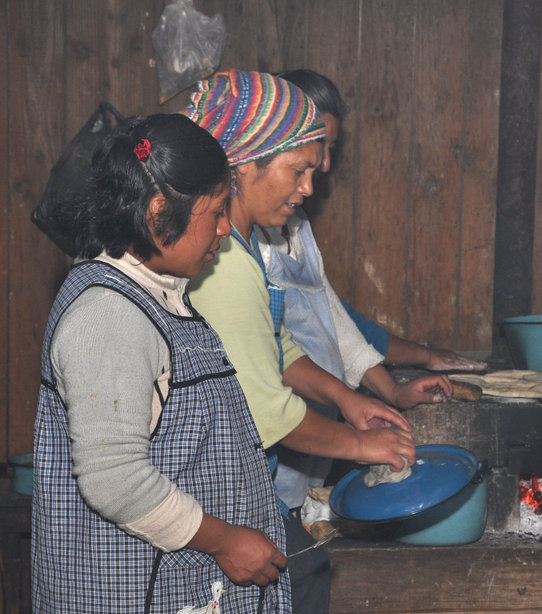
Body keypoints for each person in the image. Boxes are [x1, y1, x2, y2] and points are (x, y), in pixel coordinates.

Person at [184, 70, 449, 613]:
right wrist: (360, 445)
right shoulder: (227, 263)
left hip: (226, 476)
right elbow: (264, 411)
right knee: (303, 574)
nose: (311, 186)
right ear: (243, 164)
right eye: (299, 169)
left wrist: (351, 400)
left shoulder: (242, 243)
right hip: (206, 485)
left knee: (304, 567)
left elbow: (276, 344)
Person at [32, 113, 290, 612]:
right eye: (215, 213)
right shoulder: (107, 316)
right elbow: (114, 477)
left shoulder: (158, 291)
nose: (224, 230)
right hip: (135, 594)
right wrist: (224, 540)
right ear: (157, 212)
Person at [257, 69, 486, 507]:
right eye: (315, 148)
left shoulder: (296, 226)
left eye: (330, 148)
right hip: (277, 442)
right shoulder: (244, 243)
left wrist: (391, 391)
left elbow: (336, 323)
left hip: (314, 442)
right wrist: (356, 439)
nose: (324, 165)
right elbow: (270, 364)